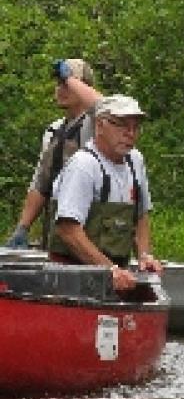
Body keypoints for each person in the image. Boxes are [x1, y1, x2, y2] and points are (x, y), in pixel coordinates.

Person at [47, 69, 162, 292]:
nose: (131, 133)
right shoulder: (84, 166)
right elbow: (68, 230)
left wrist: (144, 256)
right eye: (122, 125)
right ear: (100, 125)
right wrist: (108, 270)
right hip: (72, 279)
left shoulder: (135, 161)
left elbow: (141, 216)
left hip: (115, 275)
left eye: (135, 127)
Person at [5, 58, 98, 249]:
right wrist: (23, 227)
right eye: (59, 84)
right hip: (55, 227)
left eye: (67, 84)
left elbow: (105, 107)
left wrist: (72, 80)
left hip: (89, 230)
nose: (60, 89)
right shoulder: (53, 130)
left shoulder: (96, 126)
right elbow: (40, 182)